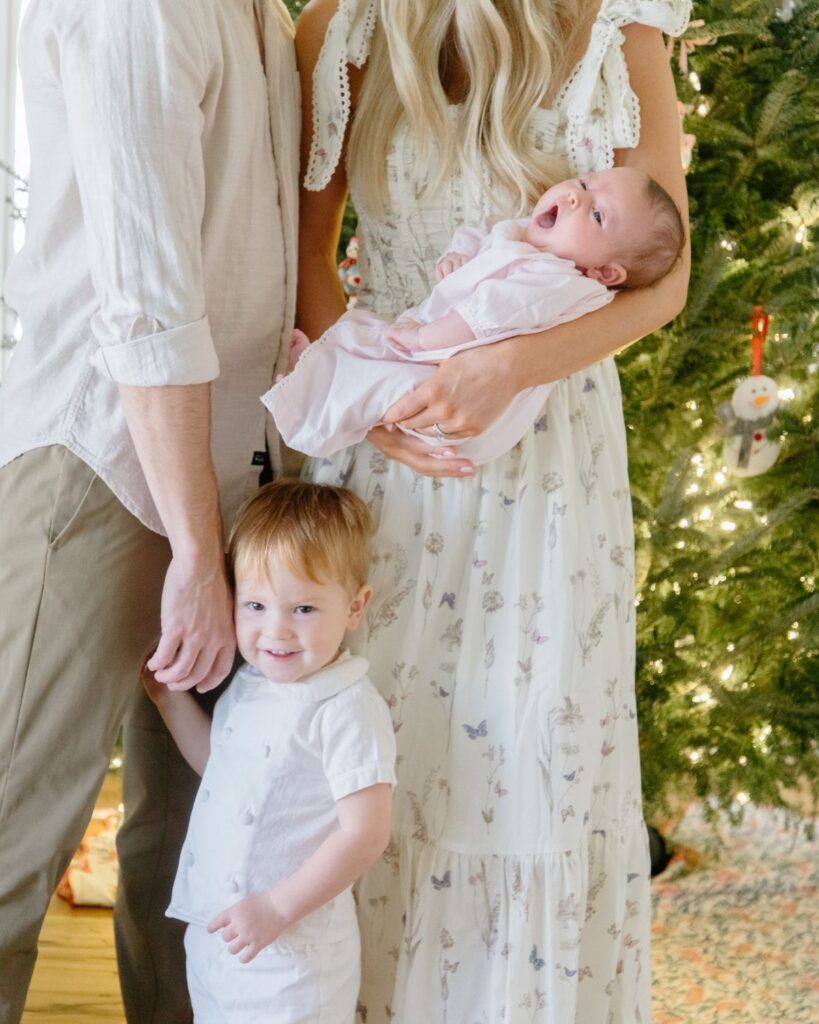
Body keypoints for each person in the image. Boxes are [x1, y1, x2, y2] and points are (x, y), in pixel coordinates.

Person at [294, 0, 691, 1020]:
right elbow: (308, 253)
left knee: (521, 764)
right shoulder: (338, 28)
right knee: (372, 753)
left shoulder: (621, 24)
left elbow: (665, 279)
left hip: (547, 459)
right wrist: (373, 394)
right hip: (388, 442)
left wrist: (508, 366)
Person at [0, 1, 298, 1021]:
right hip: (102, 467)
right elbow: (147, 298)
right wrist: (194, 553)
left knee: (193, 856)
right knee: (10, 836)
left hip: (230, 476)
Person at [142, 480, 396, 1024]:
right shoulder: (251, 683)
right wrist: (169, 701)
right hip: (219, 938)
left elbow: (366, 833)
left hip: (293, 957)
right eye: (255, 605)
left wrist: (277, 909)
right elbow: (225, 771)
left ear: (355, 607)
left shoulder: (346, 706)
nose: (275, 630)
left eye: (303, 607)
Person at [268, 167, 684, 462]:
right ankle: (317, 373)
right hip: (450, 359)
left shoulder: (558, 280)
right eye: (583, 182)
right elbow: (487, 230)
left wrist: (424, 337)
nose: (576, 196)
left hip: (466, 390)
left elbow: (483, 315)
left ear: (605, 272)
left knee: (383, 373)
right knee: (367, 348)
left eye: (597, 214)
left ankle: (307, 404)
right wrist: (459, 253)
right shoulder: (533, 238)